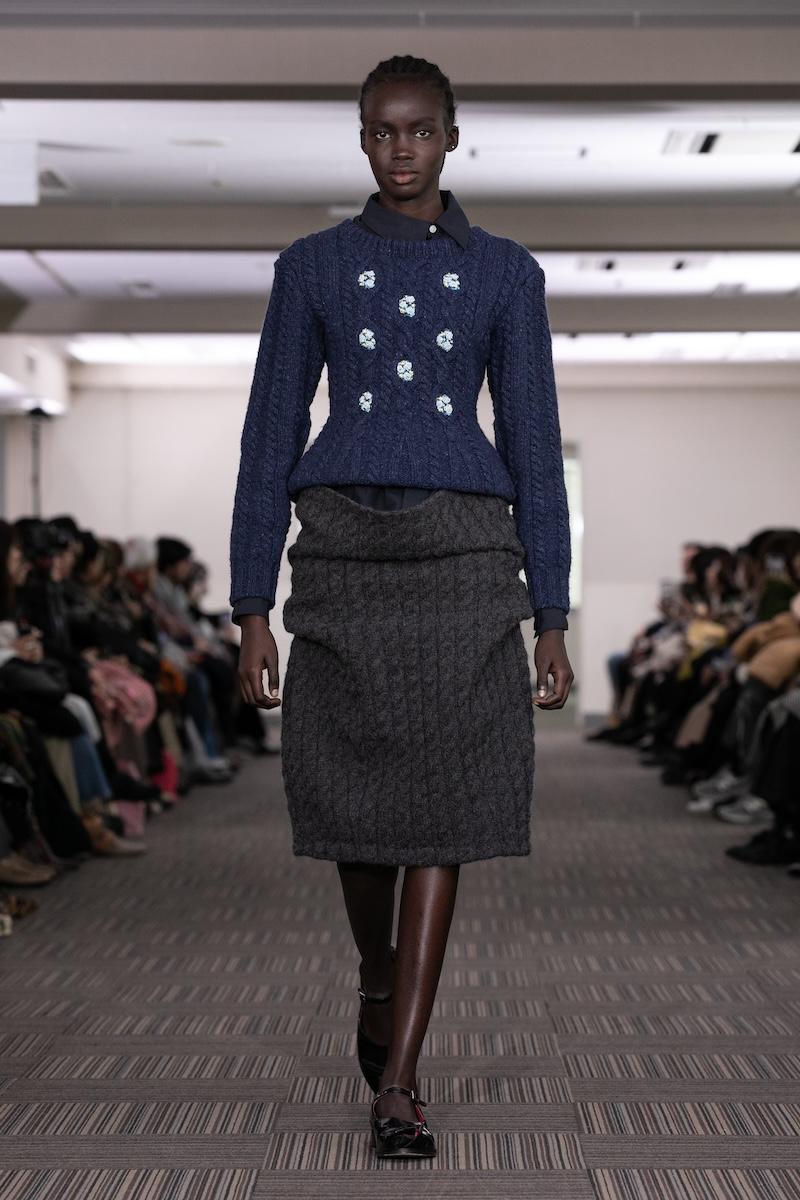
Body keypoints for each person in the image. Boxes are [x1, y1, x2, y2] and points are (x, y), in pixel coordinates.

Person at [229, 55, 574, 1159]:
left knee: (445, 808)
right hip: (342, 559)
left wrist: (552, 612)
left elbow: (533, 445)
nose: (400, 151)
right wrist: (250, 602)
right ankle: (378, 977)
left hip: (465, 561)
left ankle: (401, 1077)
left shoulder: (504, 273)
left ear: (452, 136)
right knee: (349, 795)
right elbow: (269, 435)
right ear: (362, 138)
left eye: (419, 131)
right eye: (381, 132)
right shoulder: (311, 268)